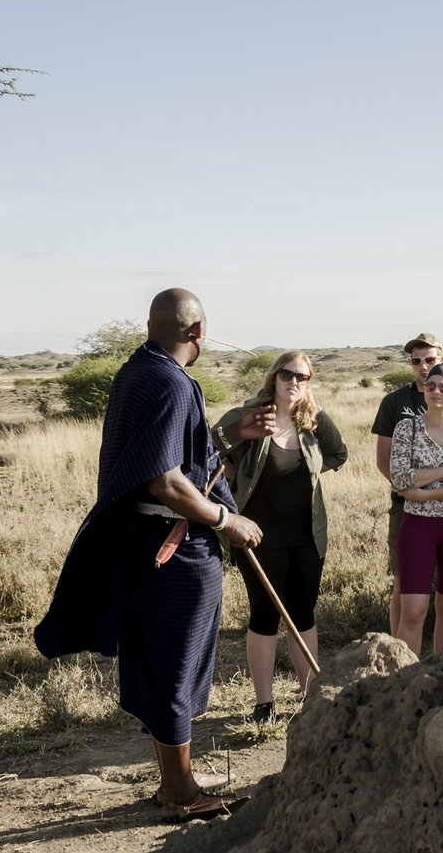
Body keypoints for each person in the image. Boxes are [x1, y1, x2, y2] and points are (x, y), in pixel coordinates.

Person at [35, 288, 268, 821]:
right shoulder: (170, 381)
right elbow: (166, 480)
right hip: (174, 548)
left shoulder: (137, 370)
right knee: (174, 666)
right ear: (197, 332)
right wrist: (228, 520)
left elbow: (172, 452)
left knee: (160, 663)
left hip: (145, 542)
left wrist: (228, 433)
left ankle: (175, 779)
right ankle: (181, 793)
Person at [218, 351, 347, 723]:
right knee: (265, 615)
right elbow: (210, 448)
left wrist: (313, 469)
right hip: (258, 537)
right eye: (287, 375)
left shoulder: (315, 420)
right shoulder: (250, 416)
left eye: (302, 377)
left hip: (308, 535)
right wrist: (235, 473)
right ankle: (264, 704)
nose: (294, 382)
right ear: (274, 377)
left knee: (302, 613)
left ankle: (310, 698)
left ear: (309, 382)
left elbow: (338, 453)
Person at [372, 333, 443, 638]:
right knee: (410, 603)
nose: (434, 388)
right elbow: (396, 473)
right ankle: (401, 665)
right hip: (411, 517)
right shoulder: (402, 419)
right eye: (417, 361)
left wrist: (421, 493)